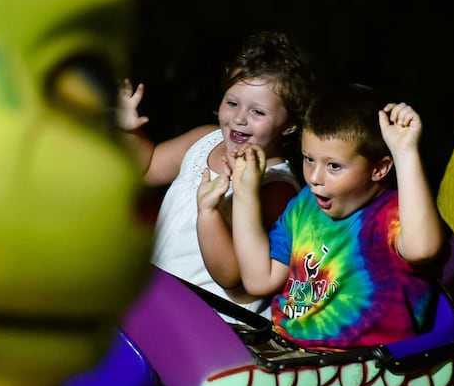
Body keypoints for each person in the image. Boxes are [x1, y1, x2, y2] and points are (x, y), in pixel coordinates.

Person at [230, 83, 445, 349]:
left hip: (359, 370)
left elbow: (423, 249)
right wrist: (243, 194)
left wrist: (405, 152)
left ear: (379, 169)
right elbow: (259, 279)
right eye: (309, 159)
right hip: (286, 353)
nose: (314, 178)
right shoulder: (304, 206)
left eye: (334, 166)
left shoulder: (393, 214)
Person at [117, 31, 314, 313]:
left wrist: (210, 212)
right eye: (232, 103)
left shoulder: (277, 188)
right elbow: (147, 168)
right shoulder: (204, 140)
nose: (239, 118)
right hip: (160, 298)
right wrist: (129, 131)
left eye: (258, 112)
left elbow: (234, 277)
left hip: (213, 320)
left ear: (290, 125)